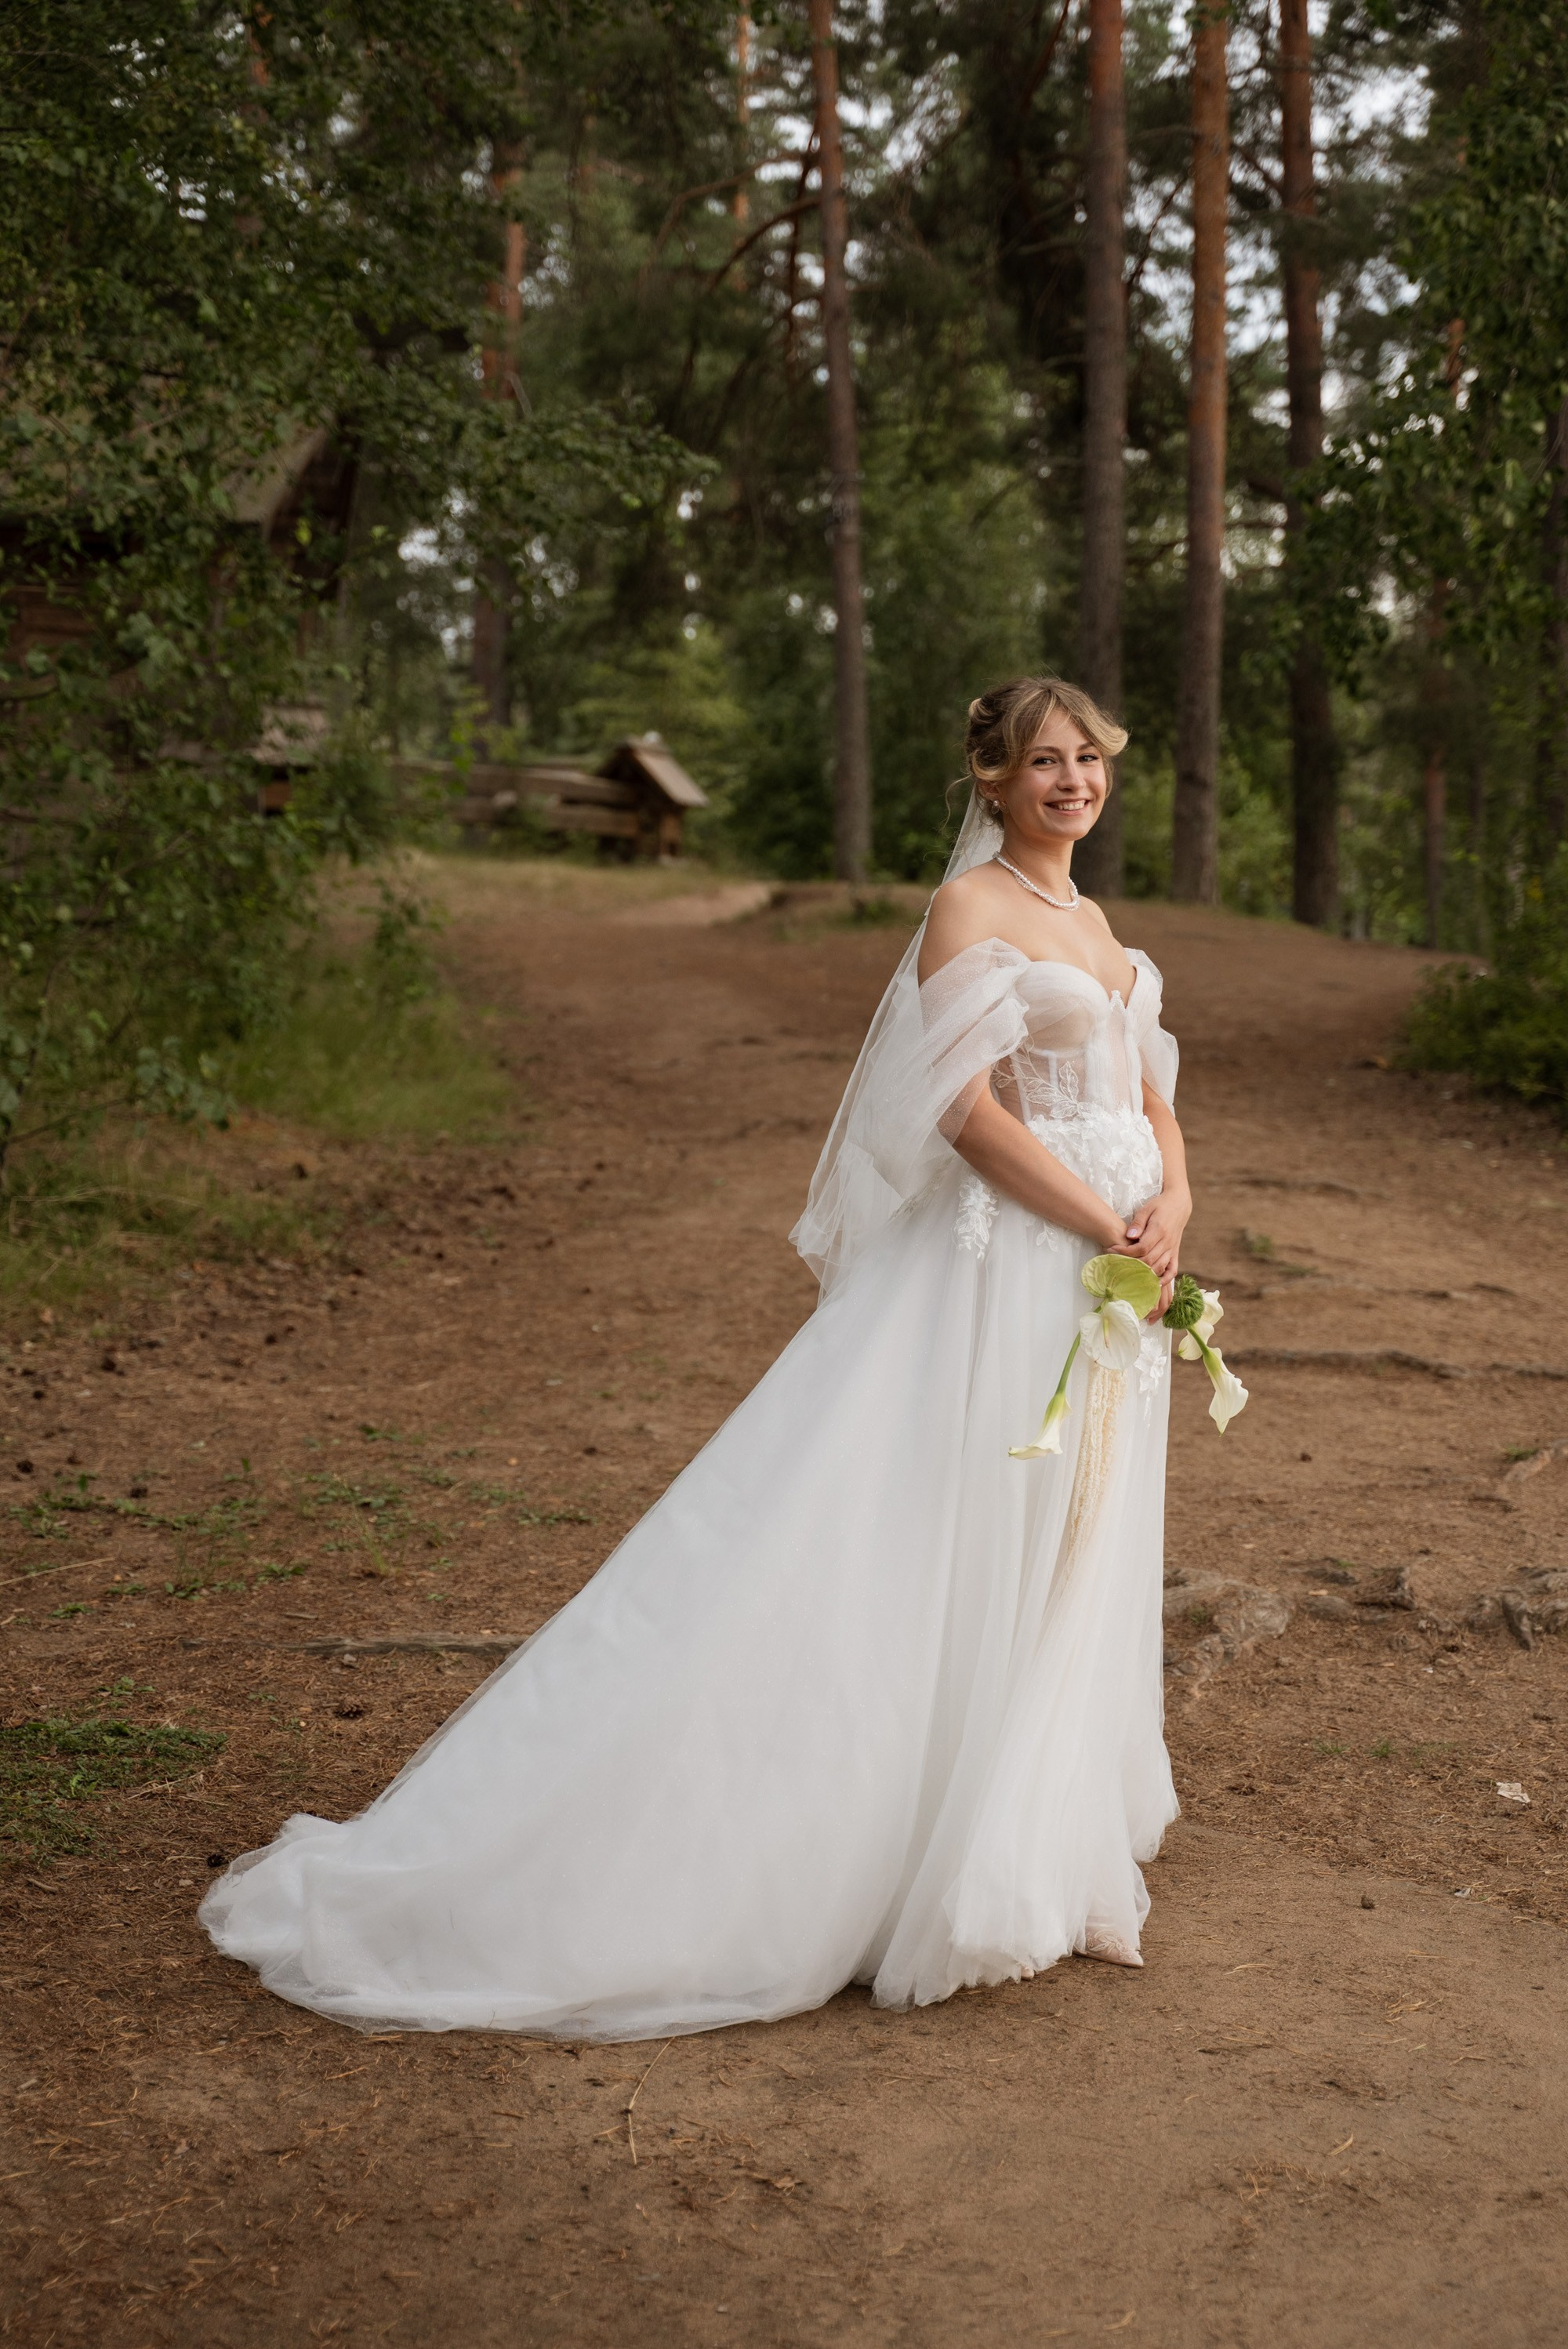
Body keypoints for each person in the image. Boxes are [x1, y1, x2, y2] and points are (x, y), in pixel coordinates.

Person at [201, 673, 1191, 2041]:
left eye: (1088, 759)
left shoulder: (1093, 920)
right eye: (1042, 763)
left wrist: (1173, 1207)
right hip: (1005, 1271)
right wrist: (1101, 1223)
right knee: (943, 1533)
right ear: (993, 782)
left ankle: (1032, 1837)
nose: (1071, 781)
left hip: (1108, 1278)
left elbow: (1149, 1091)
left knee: (1065, 1535)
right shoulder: (969, 913)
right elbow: (957, 1109)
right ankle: (875, 1848)